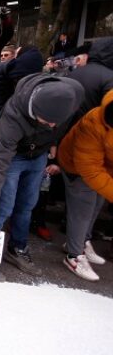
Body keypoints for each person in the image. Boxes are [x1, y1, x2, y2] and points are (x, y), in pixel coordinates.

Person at [0, 74, 85, 279]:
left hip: (39, 155)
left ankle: (17, 248)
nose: (52, 126)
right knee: (4, 205)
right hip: (14, 156)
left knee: (28, 204)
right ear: (35, 112)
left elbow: (70, 125)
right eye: (48, 122)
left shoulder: (72, 95)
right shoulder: (12, 117)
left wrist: (54, 141)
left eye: (56, 123)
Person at [58, 90, 113, 281]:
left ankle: (82, 241)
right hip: (76, 167)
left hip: (104, 168)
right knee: (83, 208)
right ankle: (74, 255)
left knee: (97, 202)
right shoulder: (93, 122)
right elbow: (90, 170)